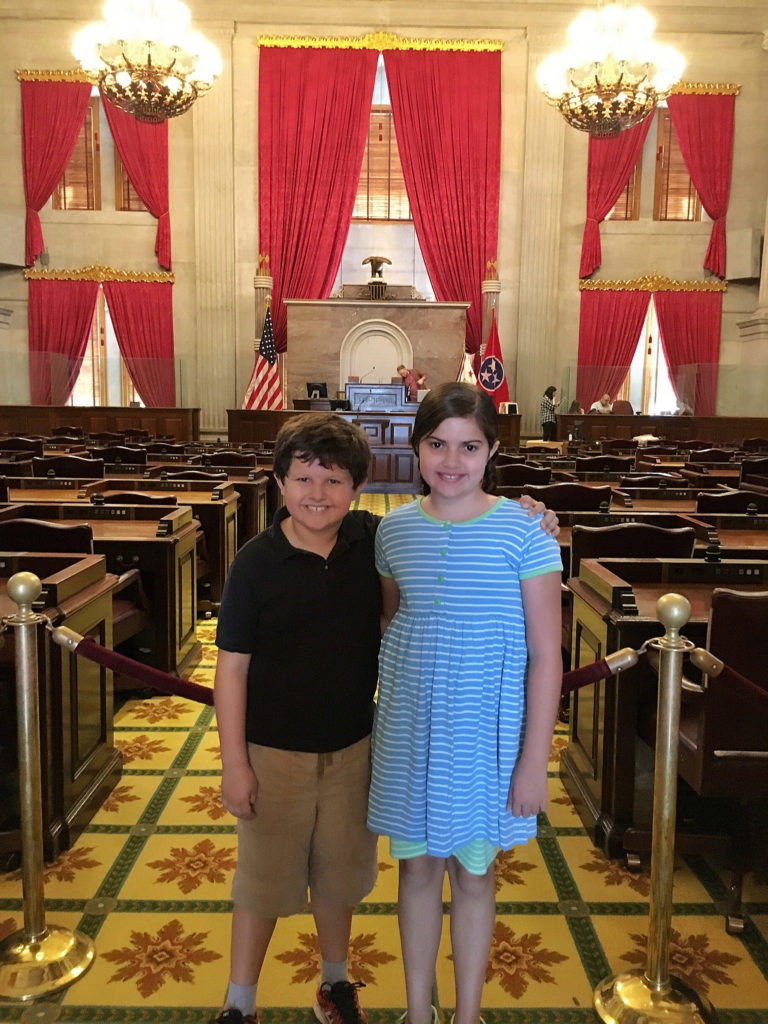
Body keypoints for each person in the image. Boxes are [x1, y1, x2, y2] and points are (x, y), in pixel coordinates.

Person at [212, 411, 560, 1024]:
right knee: (264, 881)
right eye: (303, 480)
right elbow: (236, 666)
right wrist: (233, 762)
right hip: (297, 747)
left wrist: (540, 513)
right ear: (278, 481)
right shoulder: (274, 559)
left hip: (376, 746)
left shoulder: (377, 537)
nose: (318, 494)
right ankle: (241, 1001)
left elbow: (406, 619)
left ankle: (340, 982)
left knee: (345, 876)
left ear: (358, 487)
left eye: (335, 482)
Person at [367, 383, 563, 1024]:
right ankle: (418, 1012)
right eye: (438, 444)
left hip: (486, 733)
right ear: (417, 446)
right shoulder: (392, 531)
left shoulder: (526, 532)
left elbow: (546, 656)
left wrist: (534, 763)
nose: (452, 461)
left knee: (475, 876)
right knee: (417, 872)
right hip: (411, 729)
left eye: (469, 446)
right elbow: (396, 625)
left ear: (491, 450)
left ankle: (468, 1014)